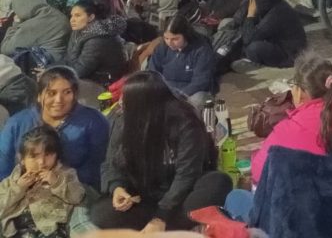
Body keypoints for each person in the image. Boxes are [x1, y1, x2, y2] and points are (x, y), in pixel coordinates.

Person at [91, 71, 232, 232]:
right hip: (144, 198)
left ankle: (160, 227)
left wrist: (161, 217)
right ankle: (173, 228)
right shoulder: (122, 120)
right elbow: (111, 163)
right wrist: (117, 188)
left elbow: (187, 174)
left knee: (218, 181)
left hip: (182, 198)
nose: (121, 104)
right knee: (101, 213)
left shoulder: (185, 122)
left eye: (126, 99)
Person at [250, 51, 332, 185]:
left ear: (298, 92)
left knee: (236, 197)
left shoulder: (289, 129)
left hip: (306, 202)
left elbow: (258, 173)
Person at [0, 68, 109, 192]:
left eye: (67, 92)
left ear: (75, 95)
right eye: (51, 93)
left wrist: (59, 181)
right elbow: (3, 165)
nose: (59, 100)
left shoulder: (93, 121)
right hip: (22, 194)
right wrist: (18, 188)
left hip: (75, 193)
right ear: (39, 96)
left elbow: (99, 166)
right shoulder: (17, 123)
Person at [0, 125, 84, 238]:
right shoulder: (12, 181)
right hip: (15, 231)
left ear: (56, 156)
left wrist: (56, 182)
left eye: (48, 155)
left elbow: (77, 197)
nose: (41, 162)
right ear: (22, 159)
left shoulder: (66, 174)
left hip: (50, 229)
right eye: (33, 156)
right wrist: (18, 188)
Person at [233, 0, 307, 69]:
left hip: (290, 54)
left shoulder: (278, 11)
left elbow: (249, 39)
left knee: (253, 47)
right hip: (275, 44)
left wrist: (250, 15)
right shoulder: (268, 5)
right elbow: (238, 21)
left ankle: (254, 63)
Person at [147, 14, 217, 110]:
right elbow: (153, 72)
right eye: (166, 38)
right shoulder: (162, 47)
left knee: (198, 100)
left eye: (175, 39)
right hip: (165, 90)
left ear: (186, 35)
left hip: (191, 92)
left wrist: (177, 96)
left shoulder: (201, 49)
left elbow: (201, 81)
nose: (170, 43)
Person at [63, 0, 128, 88]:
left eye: (77, 15)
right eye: (72, 16)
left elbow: (79, 71)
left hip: (103, 84)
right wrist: (49, 69)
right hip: (86, 78)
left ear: (91, 17)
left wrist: (54, 74)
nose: (72, 20)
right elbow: (67, 59)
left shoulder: (99, 39)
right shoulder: (79, 31)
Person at [1, 0, 70, 63]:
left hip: (44, 66)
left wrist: (16, 24)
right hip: (60, 63)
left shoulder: (32, 25)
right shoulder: (58, 15)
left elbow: (5, 49)